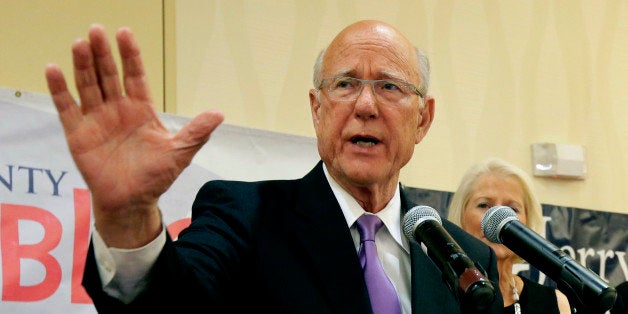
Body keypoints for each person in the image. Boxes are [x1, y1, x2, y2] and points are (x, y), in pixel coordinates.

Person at [45, 20, 504, 313]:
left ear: (423, 118)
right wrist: (128, 219)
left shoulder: (464, 256)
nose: (365, 105)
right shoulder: (245, 214)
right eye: (344, 84)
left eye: (389, 87)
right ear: (317, 108)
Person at [447, 157, 572, 314]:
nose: (498, 218)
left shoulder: (555, 303)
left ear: (527, 224)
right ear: (461, 216)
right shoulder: (437, 296)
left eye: (512, 209)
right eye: (484, 205)